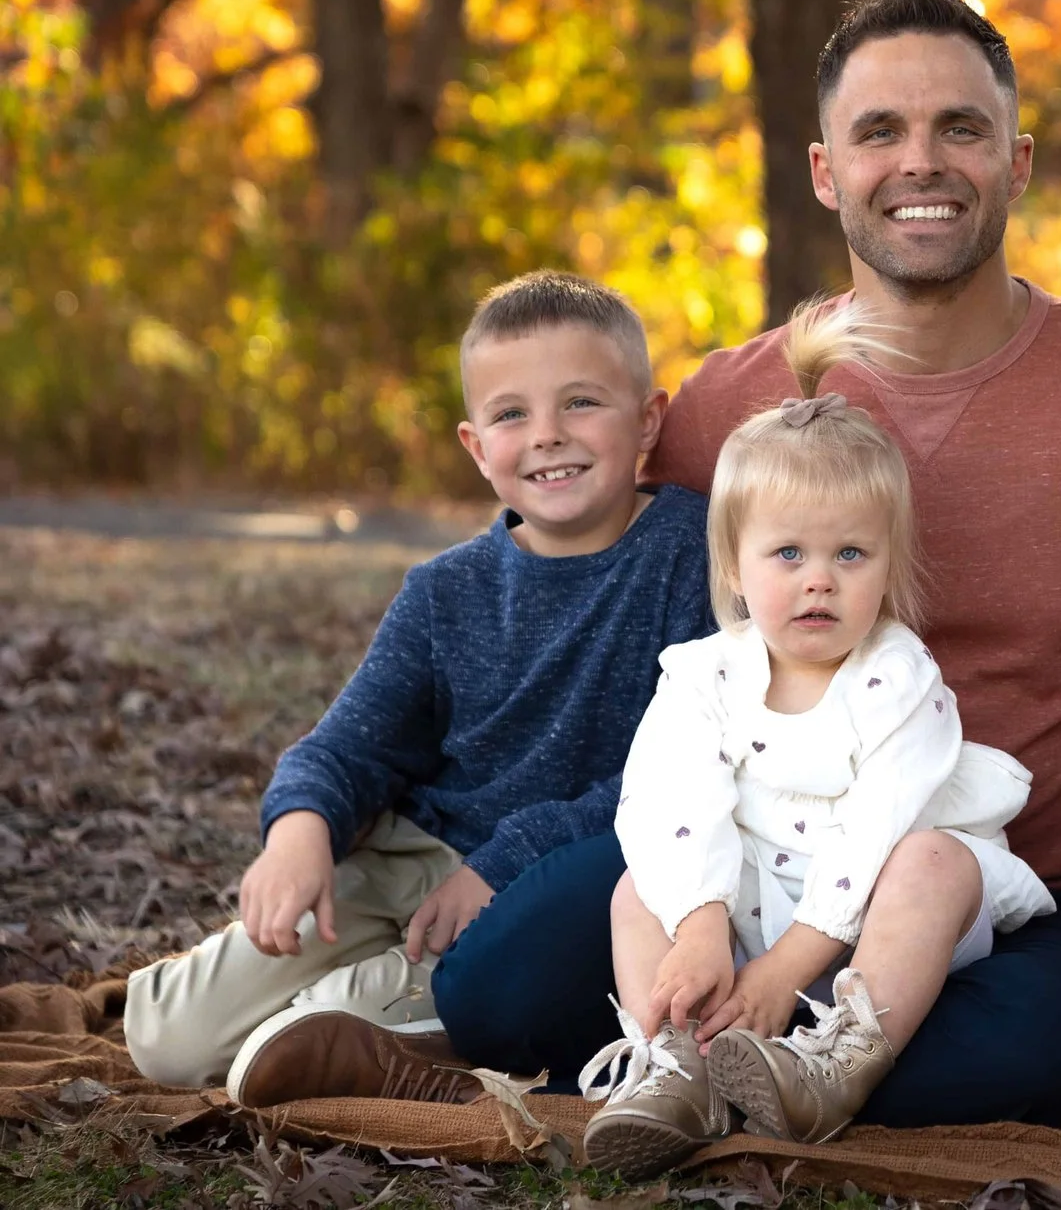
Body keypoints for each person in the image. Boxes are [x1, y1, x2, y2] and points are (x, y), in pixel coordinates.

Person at [434, 0, 1061, 1123]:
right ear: (824, 171)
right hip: (750, 859)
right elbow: (569, 585)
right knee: (491, 988)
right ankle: (714, 1056)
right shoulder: (733, 404)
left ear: (1019, 162)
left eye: (961, 126)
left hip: (1002, 893)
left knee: (1021, 1064)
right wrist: (479, 823)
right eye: (879, 132)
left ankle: (686, 1066)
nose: (922, 161)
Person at [123, 273, 714, 1104]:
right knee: (163, 1042)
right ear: (476, 446)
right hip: (408, 855)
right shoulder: (446, 590)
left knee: (291, 1040)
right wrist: (299, 829)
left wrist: (503, 865)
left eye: (581, 403)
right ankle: (321, 996)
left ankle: (366, 1016)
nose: (546, 436)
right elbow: (349, 741)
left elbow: (684, 767)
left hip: (546, 882)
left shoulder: (692, 553)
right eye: (512, 414)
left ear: (648, 419)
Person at [578, 302, 1054, 1175]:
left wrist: (793, 961)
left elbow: (876, 827)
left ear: (889, 563)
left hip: (871, 922)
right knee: (635, 887)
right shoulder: (700, 674)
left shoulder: (899, 678)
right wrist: (701, 925)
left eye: (851, 555)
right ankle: (674, 1060)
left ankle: (838, 1063)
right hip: (744, 908)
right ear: (734, 566)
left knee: (934, 860)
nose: (819, 582)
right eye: (788, 554)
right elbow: (672, 799)